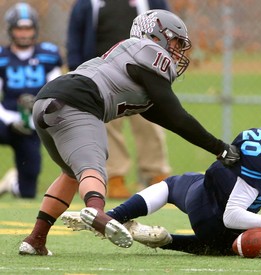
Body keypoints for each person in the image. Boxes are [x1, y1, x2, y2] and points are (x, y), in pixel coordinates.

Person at [18, 9, 239, 256]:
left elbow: (170, 119)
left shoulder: (131, 60)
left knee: (71, 174)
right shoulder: (149, 53)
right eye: (176, 41)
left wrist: (216, 147)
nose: (177, 50)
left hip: (46, 102)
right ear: (156, 36)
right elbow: (177, 115)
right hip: (78, 103)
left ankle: (35, 239)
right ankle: (97, 212)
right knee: (94, 165)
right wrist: (220, 147)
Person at [62, 84, 261, 255]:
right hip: (211, 211)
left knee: (175, 184)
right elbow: (231, 216)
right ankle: (148, 234)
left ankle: (112, 219)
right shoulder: (258, 152)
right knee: (220, 241)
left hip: (205, 188)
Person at [67, 0, 172, 199]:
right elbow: (75, 36)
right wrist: (77, 70)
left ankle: (156, 174)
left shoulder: (152, 2)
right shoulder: (88, 4)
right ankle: (115, 177)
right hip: (103, 77)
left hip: (144, 74)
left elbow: (168, 28)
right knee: (109, 128)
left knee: (151, 124)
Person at [0, 2, 62, 198]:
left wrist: (39, 115)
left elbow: (57, 93)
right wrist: (11, 122)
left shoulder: (48, 55)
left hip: (33, 123)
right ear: (10, 30)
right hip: (5, 118)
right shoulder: (2, 57)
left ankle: (13, 184)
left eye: (28, 28)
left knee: (28, 192)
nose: (24, 33)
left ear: (35, 29)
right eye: (19, 28)